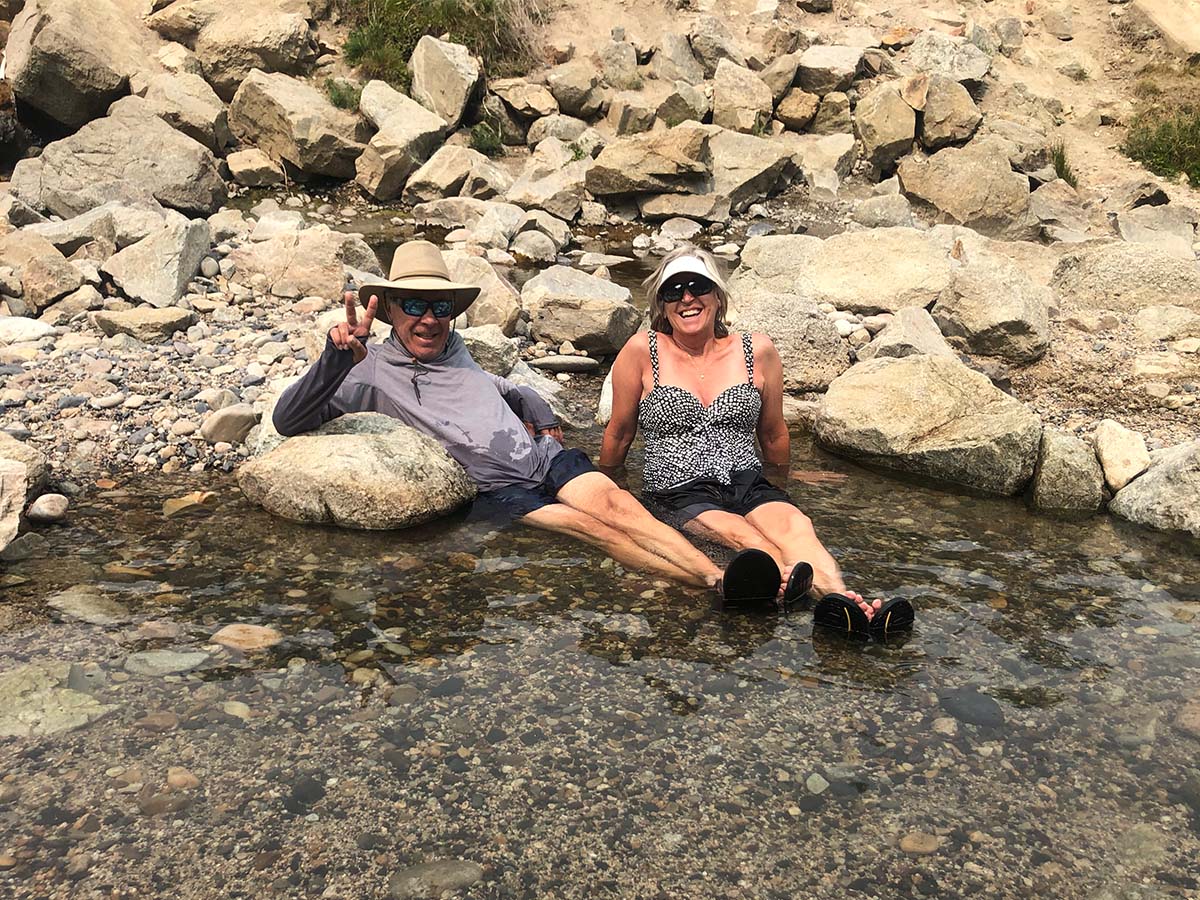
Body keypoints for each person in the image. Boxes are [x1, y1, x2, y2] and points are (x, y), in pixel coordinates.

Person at [272, 240, 728, 591]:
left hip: (545, 457)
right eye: (413, 305)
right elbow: (287, 420)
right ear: (390, 309)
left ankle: (721, 573)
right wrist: (334, 360)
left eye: (440, 307)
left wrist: (539, 410)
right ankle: (710, 585)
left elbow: (503, 386)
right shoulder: (364, 372)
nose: (429, 319)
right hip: (497, 489)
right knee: (590, 528)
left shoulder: (456, 350)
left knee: (620, 506)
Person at [600, 245, 885, 621]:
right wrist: (609, 493)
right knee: (744, 537)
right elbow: (620, 434)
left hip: (746, 480)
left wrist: (783, 483)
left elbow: (772, 434)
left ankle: (845, 603)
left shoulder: (756, 350)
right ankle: (793, 586)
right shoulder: (642, 350)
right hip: (676, 489)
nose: (687, 298)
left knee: (797, 527)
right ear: (662, 305)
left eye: (697, 286)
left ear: (717, 296)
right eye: (674, 290)